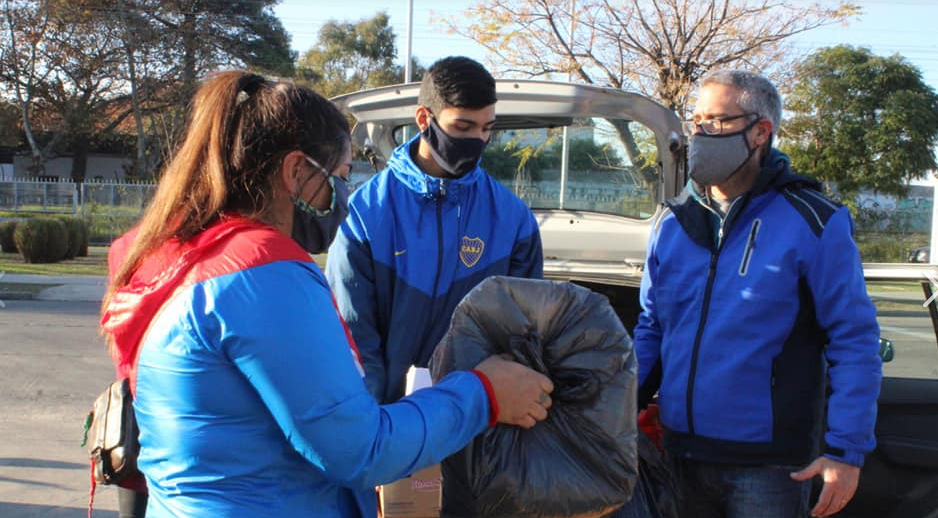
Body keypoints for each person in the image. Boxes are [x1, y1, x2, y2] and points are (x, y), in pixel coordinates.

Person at [99, 70, 554, 518]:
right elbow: (360, 449)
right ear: (296, 170)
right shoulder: (262, 277)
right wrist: (482, 393)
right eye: (336, 176)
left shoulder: (176, 253)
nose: (341, 195)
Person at [633, 69, 882, 518]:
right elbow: (651, 326)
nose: (701, 134)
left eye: (717, 121)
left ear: (760, 132)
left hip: (769, 466)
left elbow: (854, 339)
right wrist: (616, 409)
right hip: (678, 455)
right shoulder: (671, 222)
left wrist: (846, 452)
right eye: (696, 121)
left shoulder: (814, 219)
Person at [326, 56, 544, 404]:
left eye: (487, 129)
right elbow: (353, 335)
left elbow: (522, 334)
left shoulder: (513, 219)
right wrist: (375, 424)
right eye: (463, 127)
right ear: (424, 119)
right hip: (392, 422)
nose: (478, 139)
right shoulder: (366, 213)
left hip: (479, 419)